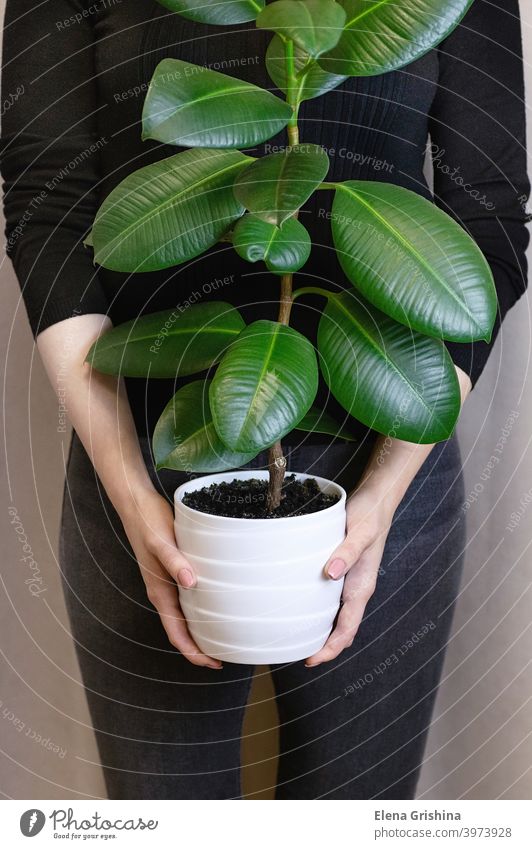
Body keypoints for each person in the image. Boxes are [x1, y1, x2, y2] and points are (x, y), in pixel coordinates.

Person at [1, 0, 529, 800]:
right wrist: (132, 490)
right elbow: (50, 203)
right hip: (146, 446)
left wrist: (384, 496)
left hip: (386, 447)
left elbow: (487, 212)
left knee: (353, 820)